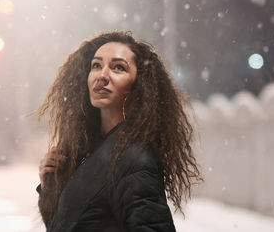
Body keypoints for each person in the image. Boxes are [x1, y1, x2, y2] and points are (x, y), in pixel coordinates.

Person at [36, 31, 202, 232]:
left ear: (138, 85)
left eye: (118, 68)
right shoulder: (89, 149)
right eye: (96, 65)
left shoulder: (134, 160)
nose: (103, 75)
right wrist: (50, 185)